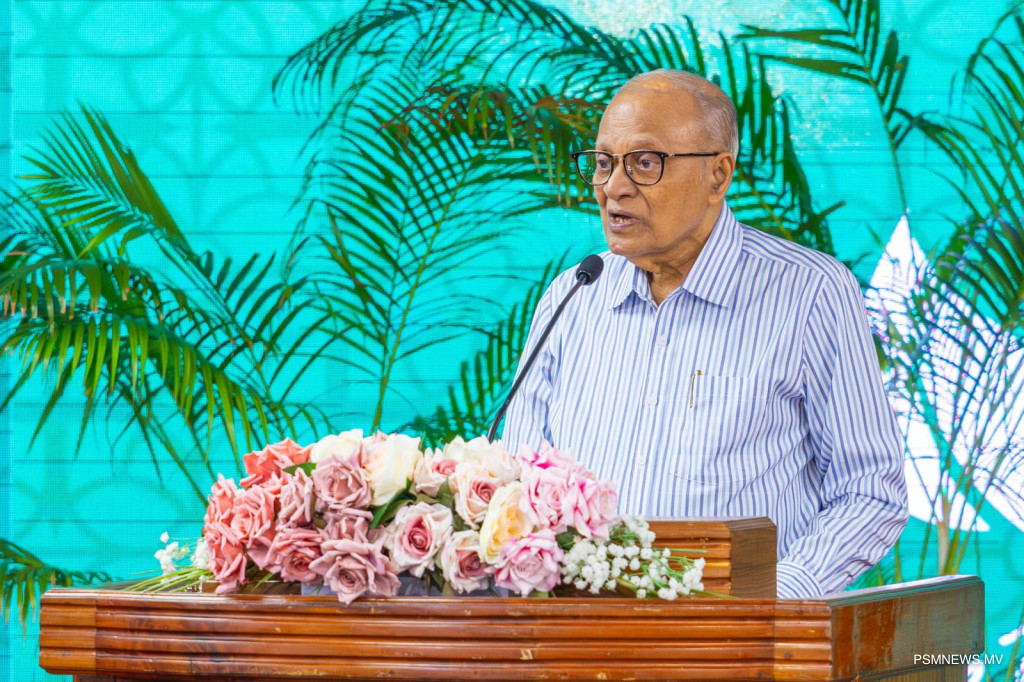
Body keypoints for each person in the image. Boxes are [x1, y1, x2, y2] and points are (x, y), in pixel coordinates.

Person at [501, 69, 908, 599]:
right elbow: (518, 480)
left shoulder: (809, 293)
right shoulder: (574, 295)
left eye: (644, 162)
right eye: (603, 163)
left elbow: (870, 490)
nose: (613, 187)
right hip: (582, 630)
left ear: (718, 175)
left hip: (742, 635)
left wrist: (776, 600)